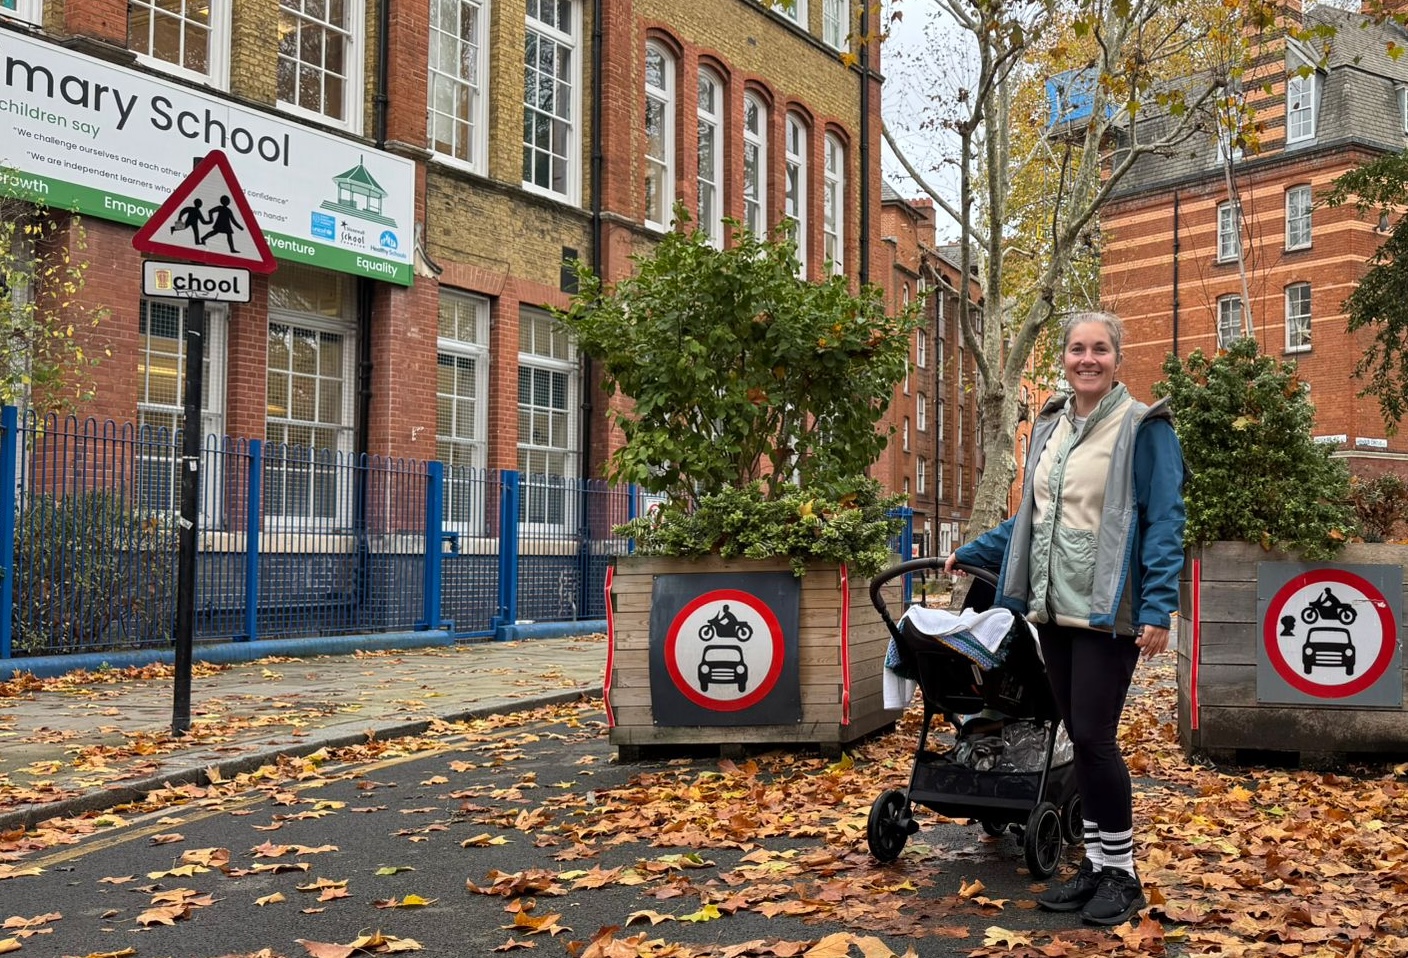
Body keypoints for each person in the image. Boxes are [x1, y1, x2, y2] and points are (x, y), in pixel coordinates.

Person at [944, 310, 1185, 927]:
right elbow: (1033, 519)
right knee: (1078, 734)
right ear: (1064, 356)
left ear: (1117, 357)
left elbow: (1164, 522)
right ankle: (1098, 866)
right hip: (1053, 608)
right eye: (1077, 349)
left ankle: (1121, 875)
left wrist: (1158, 607)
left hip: (1109, 610)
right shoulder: (1051, 423)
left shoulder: (1144, 427)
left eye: (1099, 350)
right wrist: (972, 553)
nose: (1087, 359)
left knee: (1096, 739)